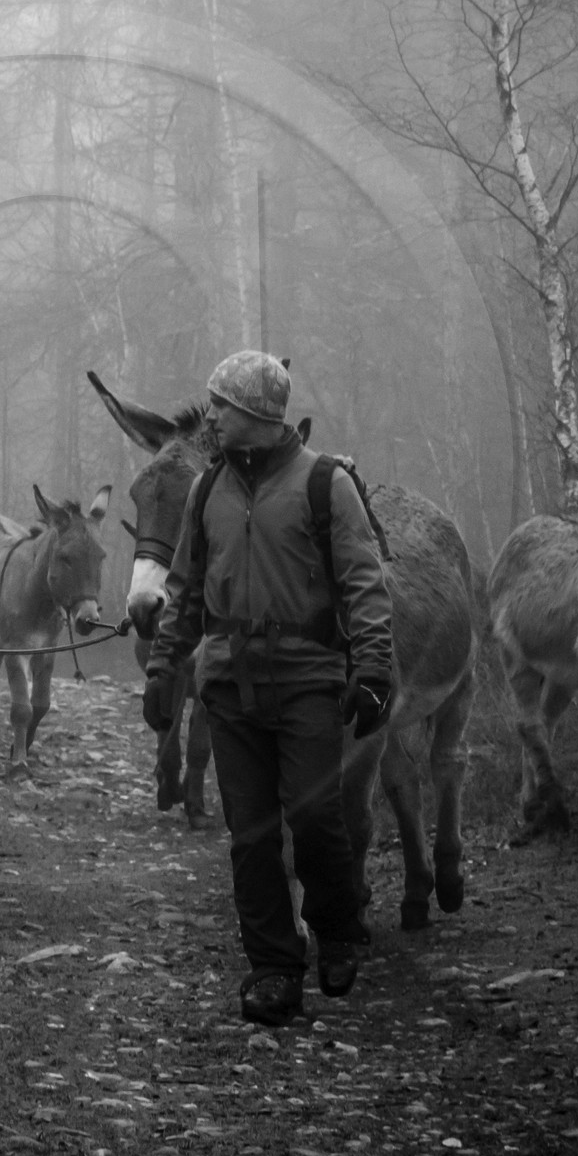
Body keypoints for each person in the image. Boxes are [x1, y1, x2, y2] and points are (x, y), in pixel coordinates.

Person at [141, 351, 393, 1027]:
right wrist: (165, 666)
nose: (212, 417)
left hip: (310, 681)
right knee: (250, 836)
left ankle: (339, 927)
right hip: (229, 685)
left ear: (254, 412)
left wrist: (373, 669)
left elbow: (365, 584)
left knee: (315, 820)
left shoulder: (326, 485)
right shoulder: (206, 491)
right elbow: (187, 590)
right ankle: (273, 968)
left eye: (220, 405)